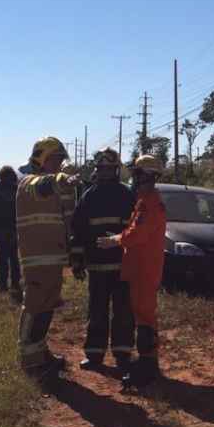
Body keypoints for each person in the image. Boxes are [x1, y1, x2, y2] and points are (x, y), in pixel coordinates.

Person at [98, 154, 166, 391]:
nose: (133, 178)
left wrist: (114, 240)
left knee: (145, 316)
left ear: (148, 176)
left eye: (137, 174)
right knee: (141, 315)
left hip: (144, 268)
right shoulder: (143, 201)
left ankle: (147, 367)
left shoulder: (150, 203)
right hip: (138, 266)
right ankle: (147, 361)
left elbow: (138, 234)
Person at [16, 137, 80, 374]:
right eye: (56, 159)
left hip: (52, 259)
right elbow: (42, 186)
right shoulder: (28, 183)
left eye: (62, 160)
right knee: (35, 307)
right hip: (37, 260)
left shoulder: (51, 186)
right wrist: (61, 178)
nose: (60, 163)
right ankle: (30, 361)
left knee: (46, 307)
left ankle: (41, 353)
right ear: (42, 159)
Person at [69, 148, 136, 371]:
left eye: (108, 169)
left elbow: (135, 230)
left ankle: (122, 354)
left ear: (115, 170)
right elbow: (77, 230)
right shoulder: (90, 195)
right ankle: (95, 355)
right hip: (97, 265)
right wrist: (77, 261)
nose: (104, 172)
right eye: (101, 168)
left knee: (123, 312)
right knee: (97, 312)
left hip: (123, 266)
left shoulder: (127, 195)